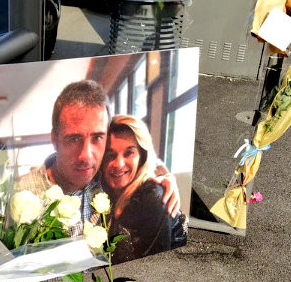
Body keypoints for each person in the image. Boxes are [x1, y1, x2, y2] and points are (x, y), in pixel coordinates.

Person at [13, 80, 181, 235]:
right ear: (54, 139)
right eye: (74, 139)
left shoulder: (107, 176)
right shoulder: (20, 194)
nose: (86, 155)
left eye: (97, 138)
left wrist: (164, 174)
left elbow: (139, 158)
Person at [102, 115, 188, 264]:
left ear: (141, 157)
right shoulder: (105, 187)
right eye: (111, 155)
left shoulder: (152, 197)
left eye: (129, 153)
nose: (119, 164)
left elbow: (156, 270)